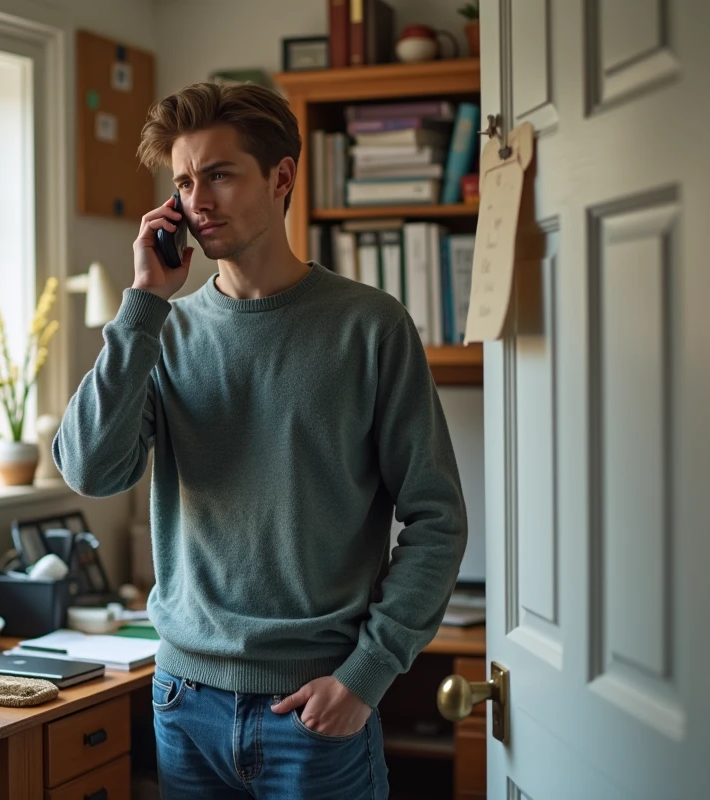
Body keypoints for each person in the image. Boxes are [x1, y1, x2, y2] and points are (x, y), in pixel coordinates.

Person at [54, 81, 467, 800]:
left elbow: (437, 518)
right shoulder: (165, 331)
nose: (196, 200)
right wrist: (143, 305)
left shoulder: (369, 326)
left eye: (218, 174)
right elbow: (90, 469)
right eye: (183, 181)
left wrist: (365, 678)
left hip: (316, 710)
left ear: (282, 176)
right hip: (184, 703)